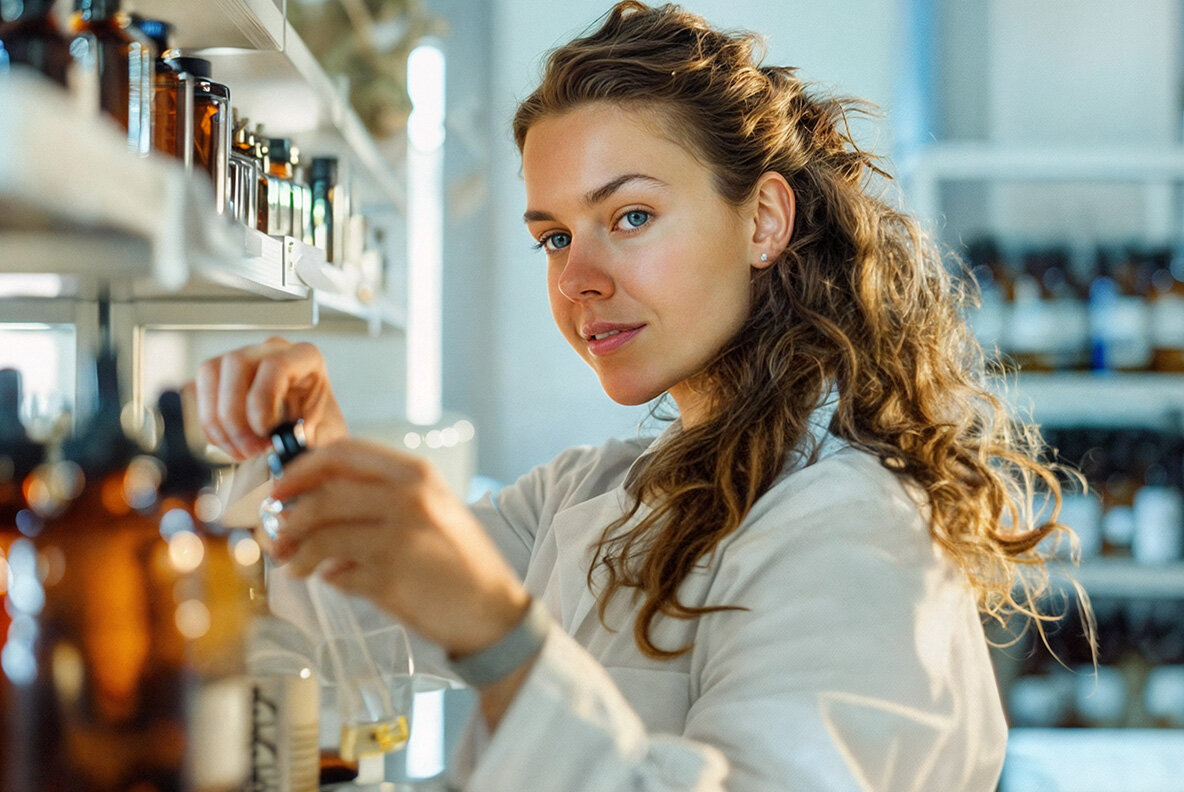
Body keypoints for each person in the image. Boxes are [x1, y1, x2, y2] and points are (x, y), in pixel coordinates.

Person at [193, 2, 1086, 789]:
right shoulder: (589, 494)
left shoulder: (854, 528)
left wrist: (503, 636)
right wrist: (306, 459)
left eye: (630, 217)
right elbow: (354, 624)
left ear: (763, 221)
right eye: (554, 237)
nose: (576, 278)